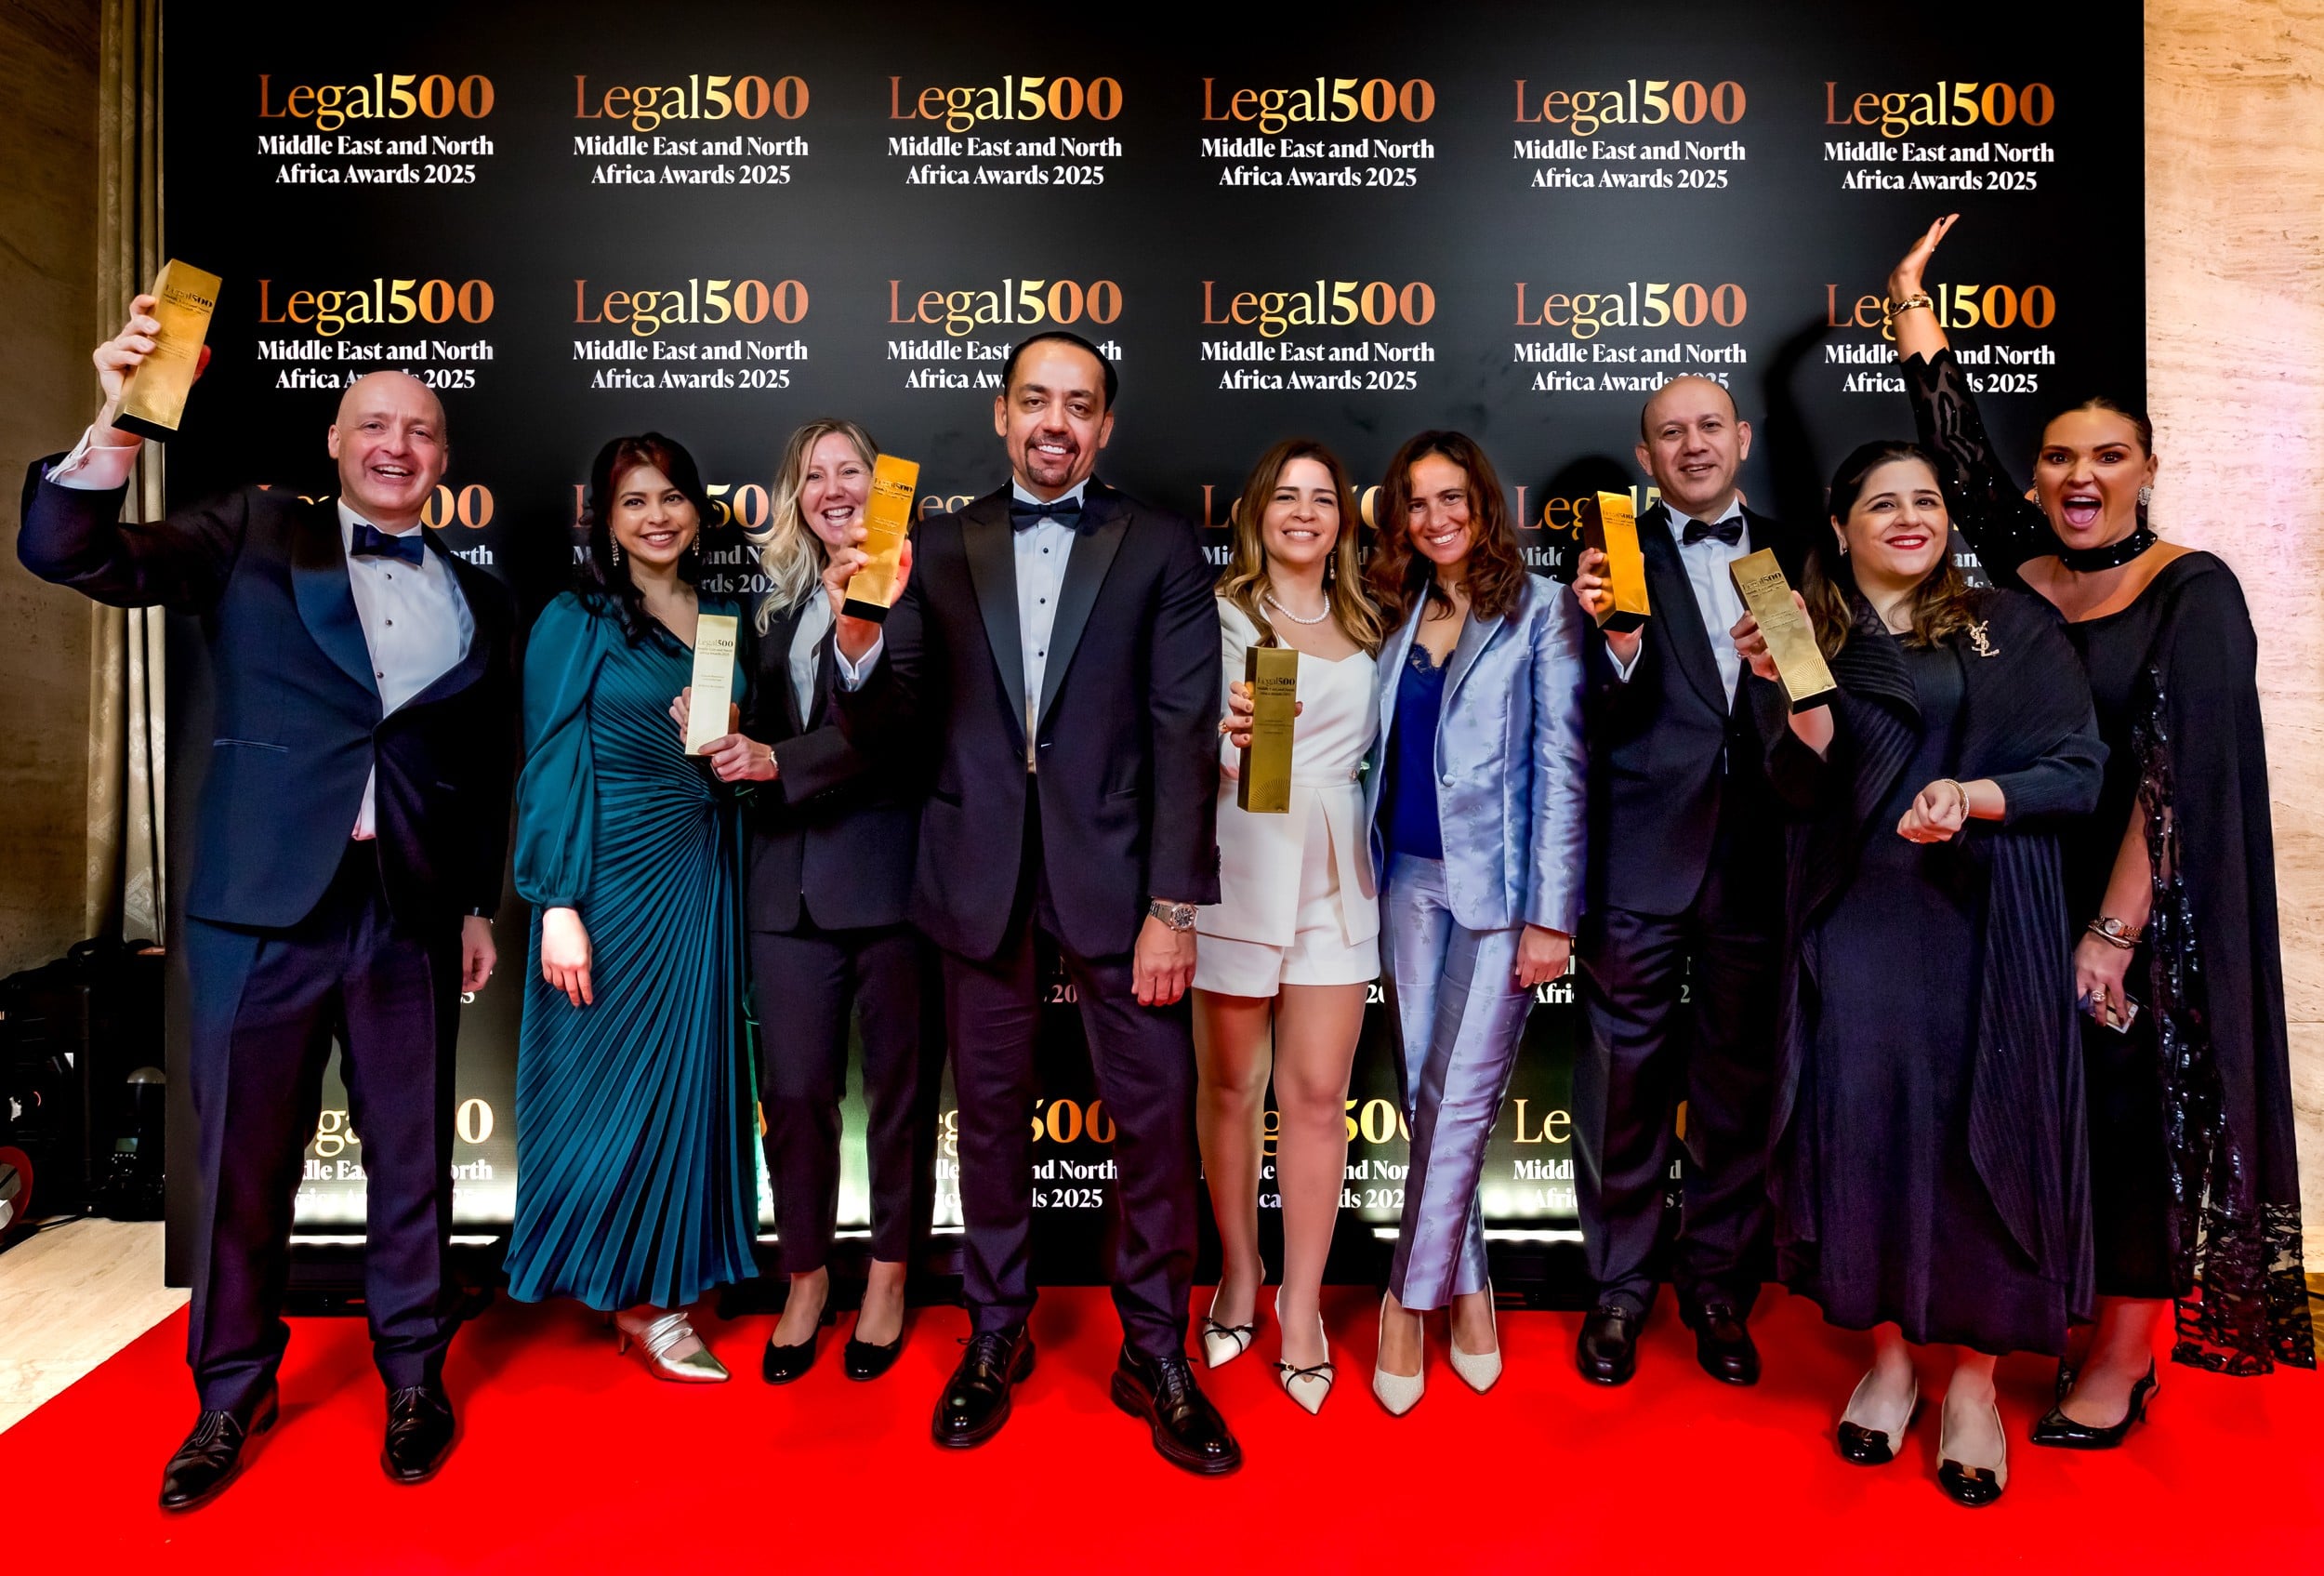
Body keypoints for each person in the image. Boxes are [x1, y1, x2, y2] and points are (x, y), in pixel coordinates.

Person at [18, 305, 514, 1506]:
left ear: (445, 458)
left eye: (423, 431)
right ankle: (230, 1391)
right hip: (259, 910)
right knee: (243, 1162)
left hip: (404, 912)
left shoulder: (479, 596)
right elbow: (73, 553)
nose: (399, 447)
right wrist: (118, 418)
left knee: (414, 1163)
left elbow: (473, 770)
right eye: (376, 426)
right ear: (335, 441)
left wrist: (474, 904)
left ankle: (413, 1375)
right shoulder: (250, 529)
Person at [1888, 214, 2316, 1437]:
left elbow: (2175, 783)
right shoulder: (2028, 566)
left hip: (2140, 907)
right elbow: (1957, 450)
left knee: (2130, 1124)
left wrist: (2114, 933)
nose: (2082, 476)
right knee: (2050, 1111)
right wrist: (1910, 304)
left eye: (2109, 456)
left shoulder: (2193, 590)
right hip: (2024, 888)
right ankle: (2067, 1315)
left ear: (2148, 468)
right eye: (2060, 458)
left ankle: (2126, 1355)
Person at [829, 332, 1238, 1473]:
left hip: (1121, 879)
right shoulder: (932, 544)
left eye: (1080, 404)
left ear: (1104, 426)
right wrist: (857, 640)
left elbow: (1183, 729)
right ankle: (995, 1331)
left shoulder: (1160, 543)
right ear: (1001, 413)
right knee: (991, 1120)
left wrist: (1174, 906)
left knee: (1154, 1125)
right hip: (977, 876)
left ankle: (1154, 1351)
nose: (1056, 422)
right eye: (1036, 400)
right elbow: (893, 725)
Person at [1737, 439, 2103, 1505]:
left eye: (1927, 501)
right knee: (1871, 1137)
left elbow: (2078, 769)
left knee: (1983, 1140)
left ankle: (1975, 1386)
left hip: (1988, 923)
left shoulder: (2012, 624)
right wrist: (1792, 698)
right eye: (1882, 504)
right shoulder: (1804, 637)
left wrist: (1972, 796)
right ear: (1839, 526)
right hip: (1858, 923)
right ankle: (1891, 1362)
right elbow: (1800, 792)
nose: (1910, 518)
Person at [676, 417, 942, 1384]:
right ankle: (805, 1275)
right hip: (785, 887)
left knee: (901, 1098)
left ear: (883, 486)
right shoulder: (780, 606)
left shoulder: (922, 588)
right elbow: (770, 728)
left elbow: (901, 727)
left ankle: (888, 1277)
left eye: (851, 471)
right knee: (792, 1097)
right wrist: (722, 730)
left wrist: (778, 760)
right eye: (814, 475)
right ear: (796, 496)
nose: (834, 489)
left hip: (894, 883)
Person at [504, 433, 758, 1381]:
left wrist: (732, 746)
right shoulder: (576, 618)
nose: (658, 516)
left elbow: (723, 766)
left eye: (672, 497)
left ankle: (669, 1272)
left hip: (698, 876)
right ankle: (635, 1301)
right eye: (634, 502)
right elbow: (547, 761)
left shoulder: (724, 619)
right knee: (606, 1090)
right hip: (607, 882)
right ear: (606, 522)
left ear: (697, 509)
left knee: (684, 1087)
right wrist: (556, 903)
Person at [1565, 376, 1792, 1387]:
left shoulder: (1796, 552)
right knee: (1621, 1086)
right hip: (1638, 861)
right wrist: (1616, 646)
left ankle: (1717, 1285)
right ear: (1645, 455)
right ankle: (1618, 1288)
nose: (1692, 446)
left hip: (1762, 864)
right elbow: (1573, 717)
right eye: (1671, 433)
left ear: (1741, 439)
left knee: (1737, 1088)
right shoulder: (1611, 554)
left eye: (1709, 427)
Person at [1361, 430, 1586, 1414]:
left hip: (1501, 895)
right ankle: (1469, 1287)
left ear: (1483, 503)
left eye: (1451, 497)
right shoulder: (1394, 607)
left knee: (1459, 1099)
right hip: (1405, 880)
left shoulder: (1541, 608)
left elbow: (1563, 767)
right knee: (1425, 1090)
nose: (1435, 517)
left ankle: (1403, 1302)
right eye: (1416, 502)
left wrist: (1552, 915)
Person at [1193, 439, 1383, 1414]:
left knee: (1316, 1095)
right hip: (1239, 860)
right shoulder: (1215, 615)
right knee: (1231, 1089)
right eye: (1286, 496)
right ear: (1255, 513)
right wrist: (1219, 738)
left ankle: (1301, 1304)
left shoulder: (1372, 618)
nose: (1304, 512)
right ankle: (1240, 1272)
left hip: (1337, 876)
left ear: (1342, 517)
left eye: (1322, 498)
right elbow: (1173, 734)